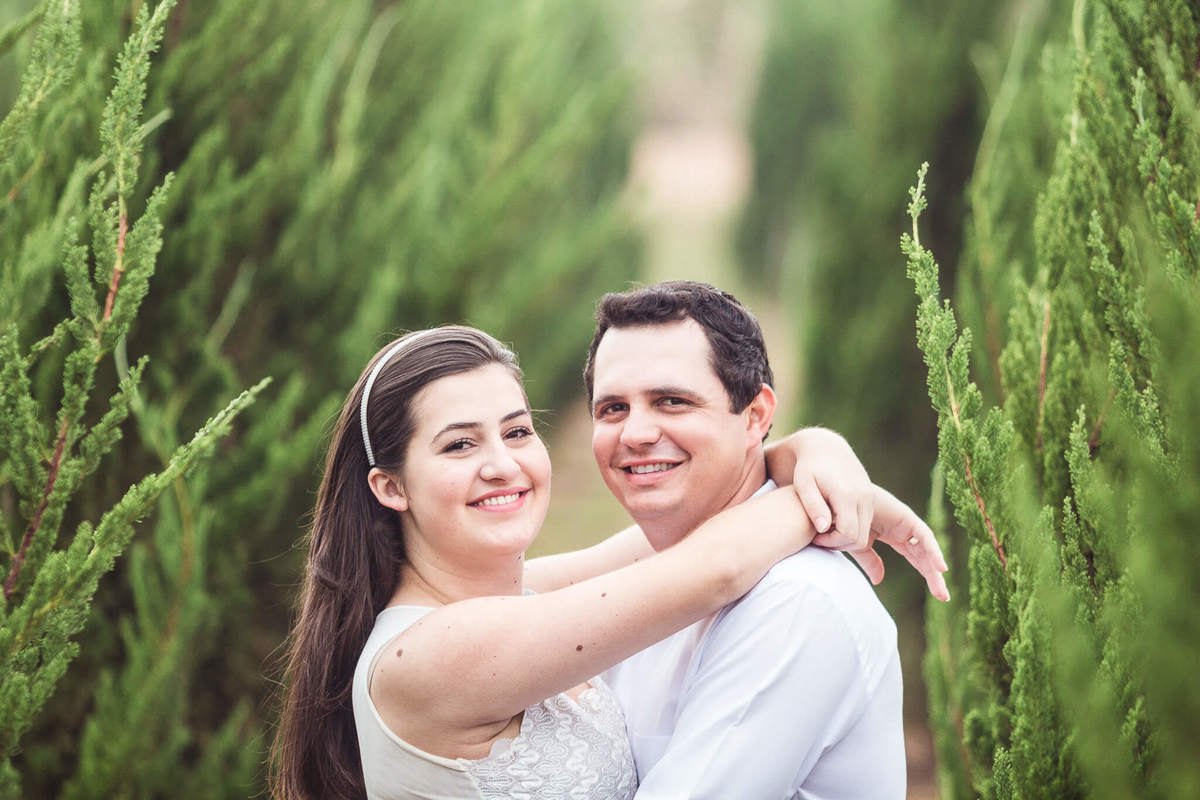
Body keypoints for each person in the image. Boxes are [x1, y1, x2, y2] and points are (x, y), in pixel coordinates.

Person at [270, 325, 946, 800]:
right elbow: (713, 566)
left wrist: (809, 451)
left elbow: (695, 524)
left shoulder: (513, 599)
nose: (502, 464)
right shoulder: (432, 654)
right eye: (459, 446)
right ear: (390, 486)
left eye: (517, 431)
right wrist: (831, 500)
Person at [583, 280, 934, 799]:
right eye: (613, 408)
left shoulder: (797, 603)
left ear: (756, 416)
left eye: (672, 401)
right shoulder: (633, 578)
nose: (635, 433)